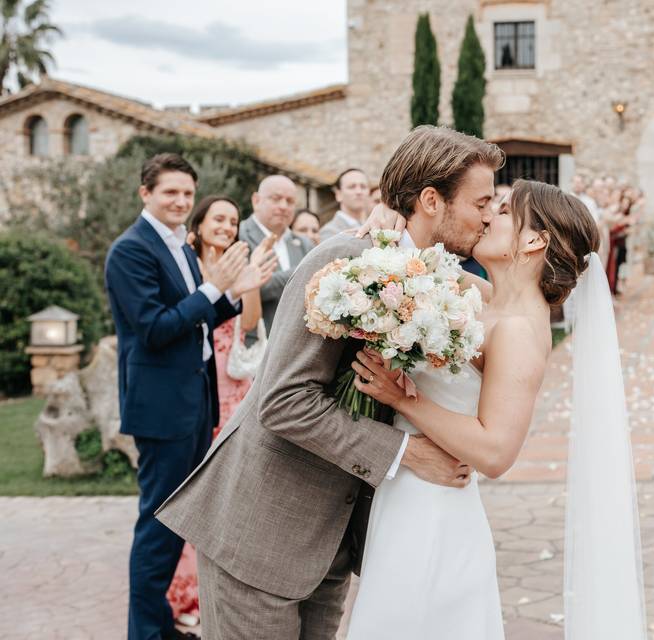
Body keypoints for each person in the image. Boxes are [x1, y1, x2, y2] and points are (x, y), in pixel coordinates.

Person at [155, 126, 507, 640]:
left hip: (330, 547)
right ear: (431, 200)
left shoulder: (435, 278)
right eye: (481, 202)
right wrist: (406, 452)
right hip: (260, 535)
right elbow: (284, 402)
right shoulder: (343, 262)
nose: (489, 215)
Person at [347, 179, 645, 639]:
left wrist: (402, 398)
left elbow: (496, 451)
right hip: (408, 494)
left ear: (532, 240)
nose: (488, 216)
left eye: (503, 211)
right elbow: (413, 264)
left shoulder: (521, 331)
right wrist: (389, 219)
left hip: (435, 507)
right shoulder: (487, 299)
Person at [105, 153, 273, 640]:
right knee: (157, 528)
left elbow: (194, 323)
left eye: (186, 193)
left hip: (196, 400)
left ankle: (165, 626)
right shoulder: (131, 250)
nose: (180, 202)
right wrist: (214, 287)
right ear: (145, 194)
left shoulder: (178, 246)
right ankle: (146, 633)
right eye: (169, 193)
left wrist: (233, 293)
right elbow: (155, 330)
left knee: (180, 521)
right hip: (161, 408)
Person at [167, 195, 278, 627]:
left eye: (232, 221)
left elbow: (247, 322)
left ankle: (214, 587)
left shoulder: (238, 263)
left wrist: (248, 281)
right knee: (193, 485)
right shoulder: (187, 266)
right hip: (197, 380)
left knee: (226, 486)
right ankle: (184, 595)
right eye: (218, 218)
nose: (227, 226)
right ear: (199, 225)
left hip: (233, 383)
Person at [238, 175, 314, 334]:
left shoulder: (304, 243)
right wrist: (305, 272)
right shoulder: (239, 235)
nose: (284, 206)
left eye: (290, 201)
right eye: (276, 198)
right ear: (256, 201)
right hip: (255, 343)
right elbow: (250, 289)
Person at [318, 168, 371, 243]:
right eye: (352, 187)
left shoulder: (374, 226)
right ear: (338, 194)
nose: (359, 191)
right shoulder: (329, 232)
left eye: (363, 186)